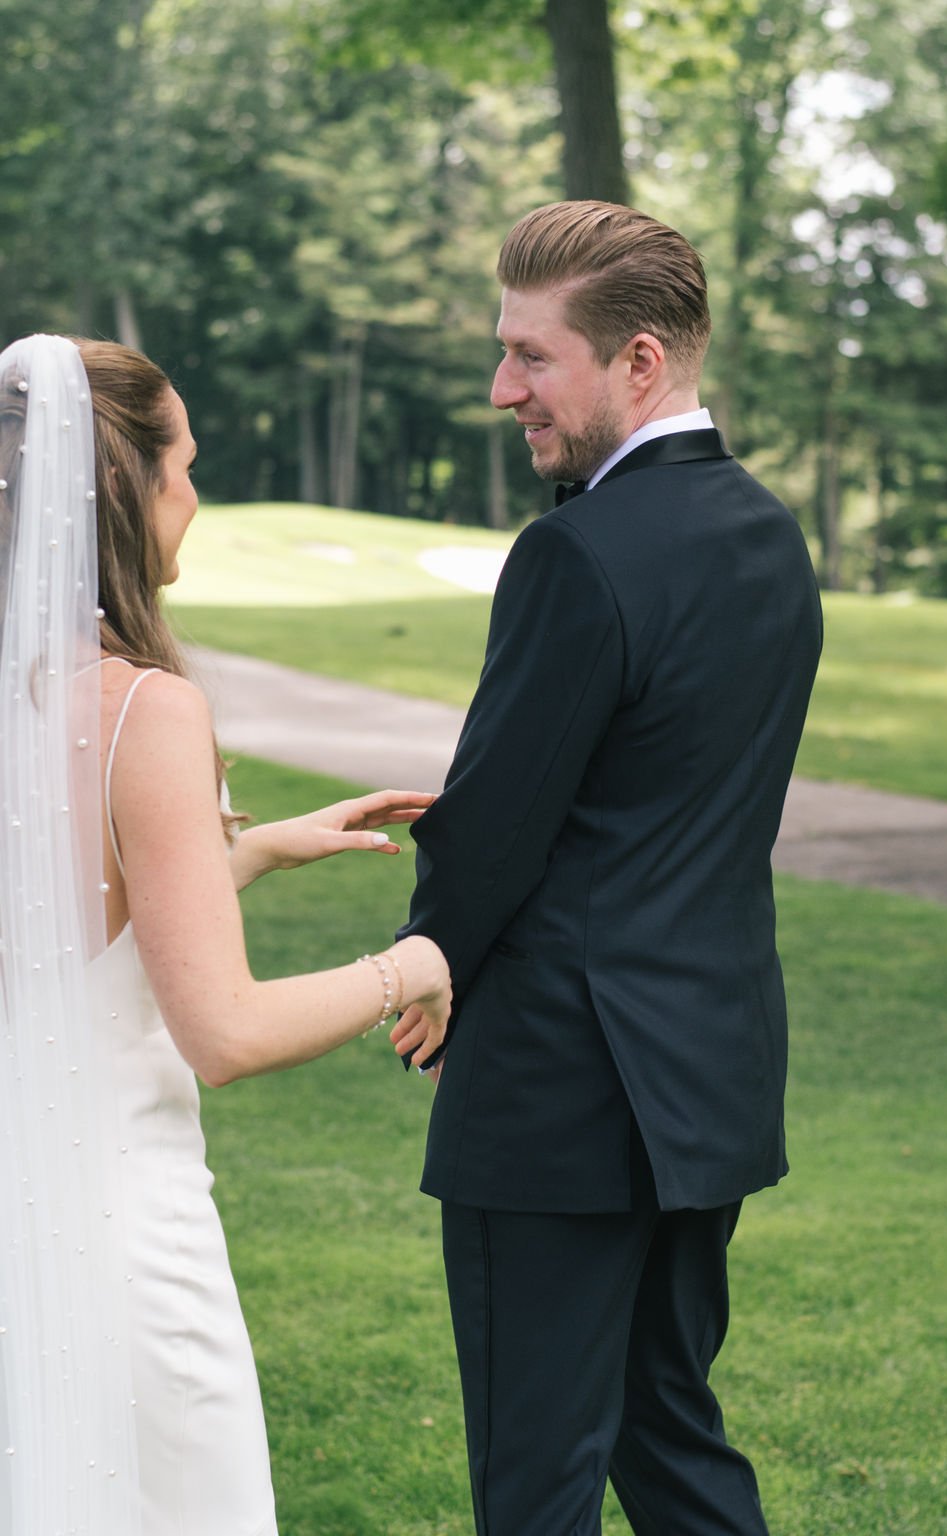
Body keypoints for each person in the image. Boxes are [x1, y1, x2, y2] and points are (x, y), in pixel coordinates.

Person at [394, 201, 823, 1535]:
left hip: (557, 1093)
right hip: (708, 1077)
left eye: (532, 356)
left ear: (641, 360)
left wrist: (432, 963)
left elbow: (498, 825)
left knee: (535, 1486)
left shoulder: (573, 554)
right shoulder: (769, 539)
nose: (501, 387)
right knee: (670, 1436)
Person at [0, 333, 450, 1536]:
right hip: (117, 1240)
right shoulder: (145, 710)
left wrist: (242, 848)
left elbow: (47, 941)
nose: (194, 494)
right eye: (186, 464)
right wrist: (419, 960)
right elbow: (225, 1034)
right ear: (124, 491)